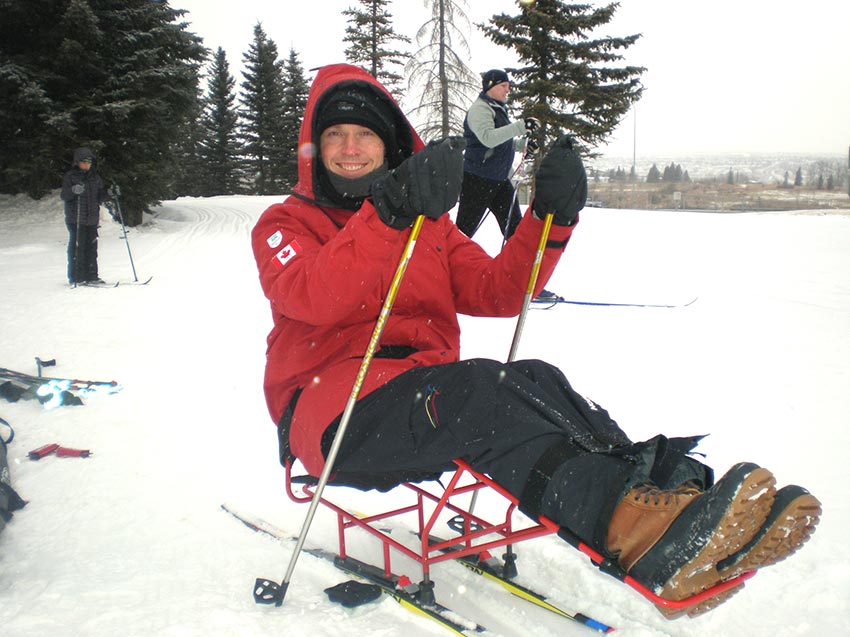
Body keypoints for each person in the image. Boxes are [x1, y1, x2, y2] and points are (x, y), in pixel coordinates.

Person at [250, 63, 820, 619]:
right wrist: (389, 215)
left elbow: (499, 290)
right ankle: (634, 529)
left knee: (536, 376)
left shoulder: (429, 226)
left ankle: (678, 500)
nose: (350, 148)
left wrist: (550, 218)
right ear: (314, 149)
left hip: (419, 395)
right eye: (335, 136)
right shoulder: (284, 225)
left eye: (364, 134)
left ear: (389, 144)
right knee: (478, 389)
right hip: (333, 414)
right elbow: (314, 296)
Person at [457, 69, 558, 301]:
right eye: (504, 86)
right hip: (477, 180)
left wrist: (521, 145)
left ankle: (524, 284)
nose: (507, 90)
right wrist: (520, 127)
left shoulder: (497, 109)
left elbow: (500, 142)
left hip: (498, 181)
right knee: (462, 233)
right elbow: (487, 138)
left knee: (516, 232)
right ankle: (438, 277)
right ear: (490, 86)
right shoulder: (480, 109)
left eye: (508, 86)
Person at [60, 147, 107, 285]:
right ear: (77, 162)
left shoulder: (95, 177)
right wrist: (74, 190)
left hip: (91, 218)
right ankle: (76, 277)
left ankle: (92, 275)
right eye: (84, 162)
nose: (87, 164)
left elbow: (100, 195)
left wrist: (111, 193)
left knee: (91, 248)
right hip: (76, 218)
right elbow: (64, 195)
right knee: (77, 248)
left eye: (89, 162)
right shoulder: (71, 176)